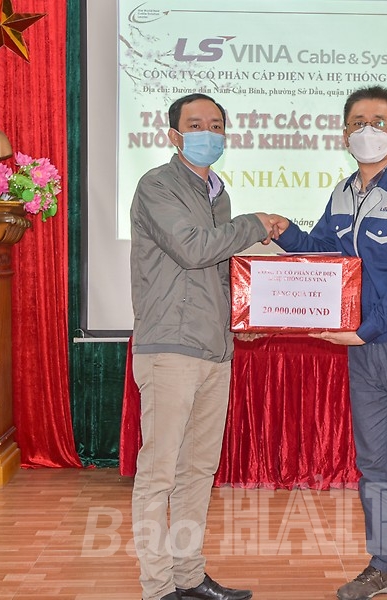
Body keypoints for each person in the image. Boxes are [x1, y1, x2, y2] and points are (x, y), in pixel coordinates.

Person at [268, 86, 387, 600]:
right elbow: (324, 252)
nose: (367, 130)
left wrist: (365, 329)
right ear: (344, 133)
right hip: (363, 347)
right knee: (374, 464)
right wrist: (285, 232)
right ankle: (385, 566)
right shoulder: (341, 194)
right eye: (357, 122)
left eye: (378, 121)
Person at [130, 92, 279, 600]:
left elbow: (217, 272)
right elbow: (193, 249)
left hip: (215, 349)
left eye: (216, 125)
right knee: (159, 474)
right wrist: (256, 224)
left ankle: (188, 576)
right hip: (170, 347)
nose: (208, 133)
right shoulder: (157, 185)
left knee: (198, 471)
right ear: (174, 135)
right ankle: (158, 588)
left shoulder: (219, 195)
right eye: (196, 125)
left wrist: (242, 317)